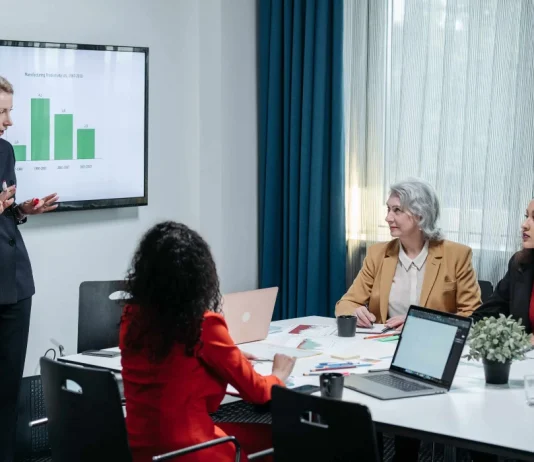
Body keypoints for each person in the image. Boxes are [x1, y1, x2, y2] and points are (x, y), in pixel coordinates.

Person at [120, 221, 296, 462]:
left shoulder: (132, 318)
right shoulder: (204, 325)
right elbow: (257, 392)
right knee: (288, 438)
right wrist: (278, 375)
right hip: (190, 451)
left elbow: (172, 364)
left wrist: (226, 358)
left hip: (139, 448)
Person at [335, 178, 481, 461]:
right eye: (388, 209)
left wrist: (419, 324)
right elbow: (345, 302)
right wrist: (354, 311)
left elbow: (472, 315)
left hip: (427, 359)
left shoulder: (456, 255)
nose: (388, 217)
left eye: (397, 210)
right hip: (379, 355)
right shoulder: (379, 253)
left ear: (420, 214)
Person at [0, 76, 59, 462]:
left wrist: (22, 210)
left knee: (7, 391)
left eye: (9, 111)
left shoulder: (5, 151)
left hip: (15, 283)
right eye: (2, 111)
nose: (8, 121)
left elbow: (5, 213)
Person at [471, 198, 534, 342]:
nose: (524, 225)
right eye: (526, 217)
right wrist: (460, 327)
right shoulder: (519, 264)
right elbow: (491, 311)